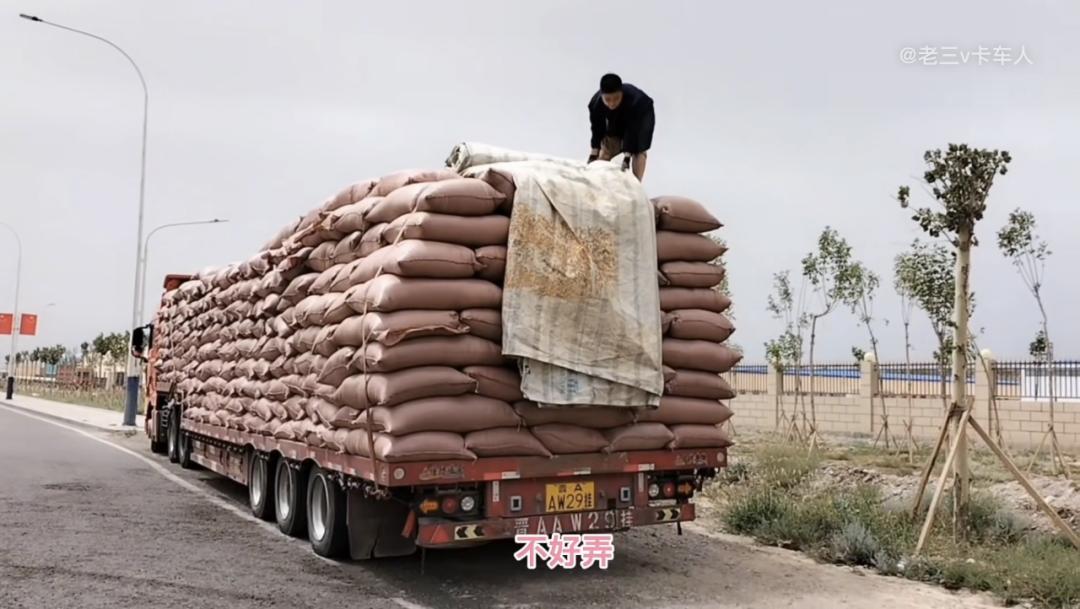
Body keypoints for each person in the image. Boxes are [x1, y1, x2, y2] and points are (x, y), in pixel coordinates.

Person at [587, 73, 655, 181]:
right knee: (606, 148)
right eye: (608, 99)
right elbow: (597, 129)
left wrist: (627, 157)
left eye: (616, 98)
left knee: (638, 149)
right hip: (617, 116)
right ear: (602, 96)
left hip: (642, 115)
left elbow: (632, 129)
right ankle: (597, 181)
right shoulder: (595, 104)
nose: (612, 103)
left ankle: (637, 184)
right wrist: (594, 153)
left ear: (621, 93)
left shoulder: (637, 101)